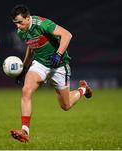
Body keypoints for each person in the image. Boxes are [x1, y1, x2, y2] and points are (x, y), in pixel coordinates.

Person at [9, 4, 93, 143]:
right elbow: (31, 47)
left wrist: (58, 55)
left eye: (20, 22)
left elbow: (67, 35)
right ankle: (25, 130)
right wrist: (23, 68)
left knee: (66, 106)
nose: (18, 26)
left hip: (59, 66)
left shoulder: (43, 24)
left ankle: (83, 89)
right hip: (40, 64)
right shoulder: (21, 32)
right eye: (15, 23)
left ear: (28, 18)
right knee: (26, 91)